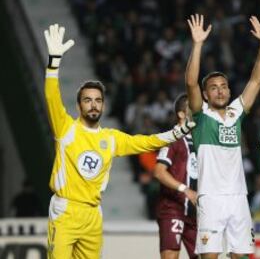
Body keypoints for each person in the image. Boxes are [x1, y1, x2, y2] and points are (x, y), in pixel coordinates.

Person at [43, 24, 194, 259]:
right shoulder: (66, 129)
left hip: (93, 214)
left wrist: (176, 133)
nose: (93, 104)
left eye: (97, 101)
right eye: (87, 100)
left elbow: (146, 142)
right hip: (65, 210)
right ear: (79, 106)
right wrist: (53, 63)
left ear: (103, 105)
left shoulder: (110, 138)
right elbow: (52, 97)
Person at [185, 14, 260, 259]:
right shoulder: (201, 116)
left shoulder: (235, 113)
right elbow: (190, 82)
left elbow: (256, 80)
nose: (220, 91)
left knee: (240, 256)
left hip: (238, 198)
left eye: (223, 86)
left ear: (229, 90)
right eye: (213, 87)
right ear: (205, 94)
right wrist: (198, 45)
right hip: (210, 198)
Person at [153, 93, 198, 259]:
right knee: (171, 255)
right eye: (192, 107)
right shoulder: (172, 138)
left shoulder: (200, 140)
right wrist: (184, 189)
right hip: (173, 209)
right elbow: (158, 171)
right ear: (181, 114)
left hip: (195, 212)